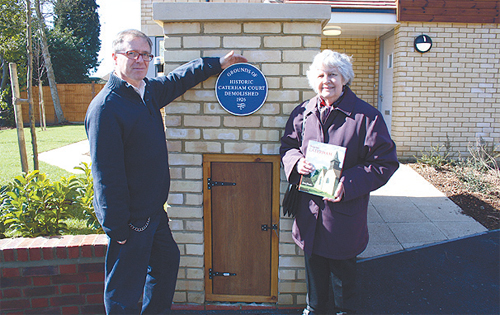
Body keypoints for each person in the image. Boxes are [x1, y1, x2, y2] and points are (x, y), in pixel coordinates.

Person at [85, 29, 247, 314]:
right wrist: (116, 225)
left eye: (145, 54)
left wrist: (217, 64)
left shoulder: (145, 93)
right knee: (124, 289)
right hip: (131, 218)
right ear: (115, 57)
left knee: (166, 263)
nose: (140, 60)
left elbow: (177, 80)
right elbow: (105, 174)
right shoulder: (107, 107)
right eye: (131, 53)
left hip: (153, 213)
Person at [280, 50, 399, 314]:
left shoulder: (367, 117)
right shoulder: (304, 112)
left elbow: (385, 163)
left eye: (333, 74)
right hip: (309, 213)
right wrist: (296, 163)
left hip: (342, 217)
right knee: (315, 282)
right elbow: (288, 145)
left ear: (344, 78)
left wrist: (348, 183)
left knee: (344, 285)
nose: (327, 80)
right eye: (321, 75)